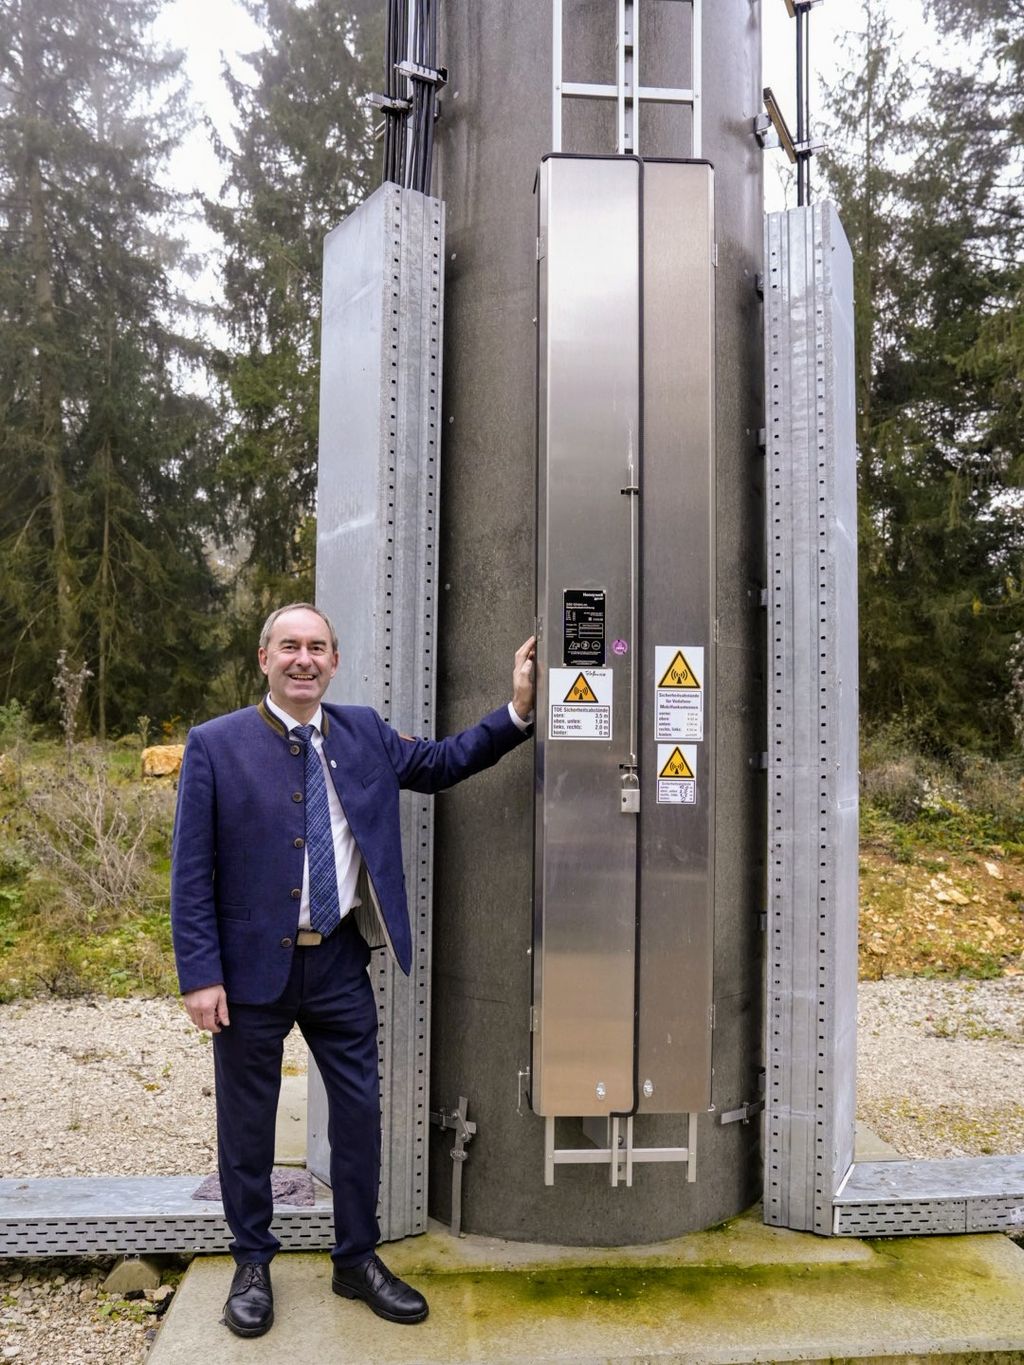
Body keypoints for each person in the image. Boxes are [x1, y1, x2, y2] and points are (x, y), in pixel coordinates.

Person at [171, 602, 535, 1338]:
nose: (304, 659)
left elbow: (438, 763)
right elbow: (191, 872)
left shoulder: (364, 731)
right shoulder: (216, 745)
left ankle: (355, 1258)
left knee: (361, 1115)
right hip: (246, 973)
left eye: (318, 647)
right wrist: (199, 974)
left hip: (339, 960)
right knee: (247, 1123)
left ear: (334, 661)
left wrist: (518, 711)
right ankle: (251, 1262)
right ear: (264, 659)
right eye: (289, 647)